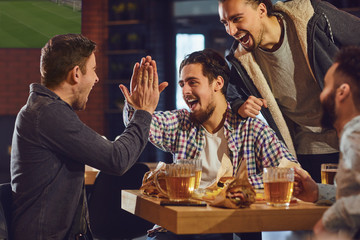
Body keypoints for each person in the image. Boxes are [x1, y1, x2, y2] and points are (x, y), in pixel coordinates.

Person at [122, 49, 298, 240]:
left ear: (218, 83)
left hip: (232, 228)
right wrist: (138, 108)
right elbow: (143, 125)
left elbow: (290, 170)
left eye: (193, 82)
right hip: (183, 227)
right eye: (182, 84)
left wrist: (231, 187)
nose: (185, 91)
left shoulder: (251, 128)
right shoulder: (181, 122)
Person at [10, 33, 164, 240]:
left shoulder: (44, 109)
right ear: (76, 74)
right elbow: (117, 159)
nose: (96, 78)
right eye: (93, 70)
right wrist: (144, 112)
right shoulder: (48, 113)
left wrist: (139, 112)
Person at [218, 0, 360, 183]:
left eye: (237, 19)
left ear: (261, 10)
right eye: (225, 23)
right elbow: (233, 95)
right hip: (306, 152)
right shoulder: (241, 59)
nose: (231, 30)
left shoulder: (312, 16)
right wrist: (241, 106)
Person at [293, 45, 360, 239]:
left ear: (342, 92)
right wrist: (317, 192)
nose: (321, 95)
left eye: (326, 85)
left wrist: (329, 221)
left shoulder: (354, 133)